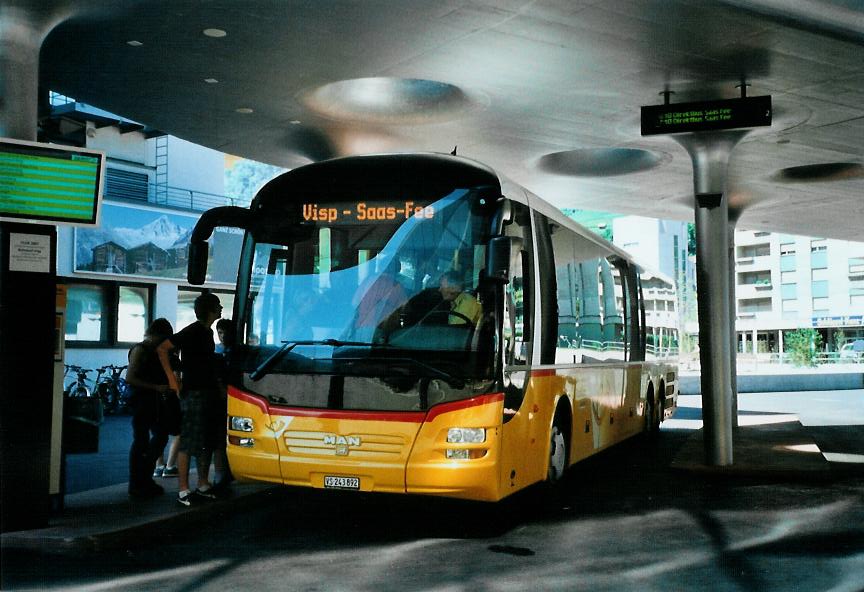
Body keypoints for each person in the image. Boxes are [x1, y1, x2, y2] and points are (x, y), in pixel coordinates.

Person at [157, 292, 225, 507]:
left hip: (205, 391)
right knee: (190, 440)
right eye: (218, 306)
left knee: (205, 439)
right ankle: (184, 489)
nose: (221, 309)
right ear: (210, 310)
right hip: (195, 392)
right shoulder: (194, 330)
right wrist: (173, 380)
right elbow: (163, 348)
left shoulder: (206, 331)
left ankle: (202, 484)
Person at [125, 318, 174, 498]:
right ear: (156, 335)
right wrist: (157, 387)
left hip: (150, 401)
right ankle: (138, 482)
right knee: (143, 440)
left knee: (154, 438)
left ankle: (143, 479)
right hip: (142, 401)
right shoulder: (140, 350)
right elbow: (130, 378)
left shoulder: (151, 350)